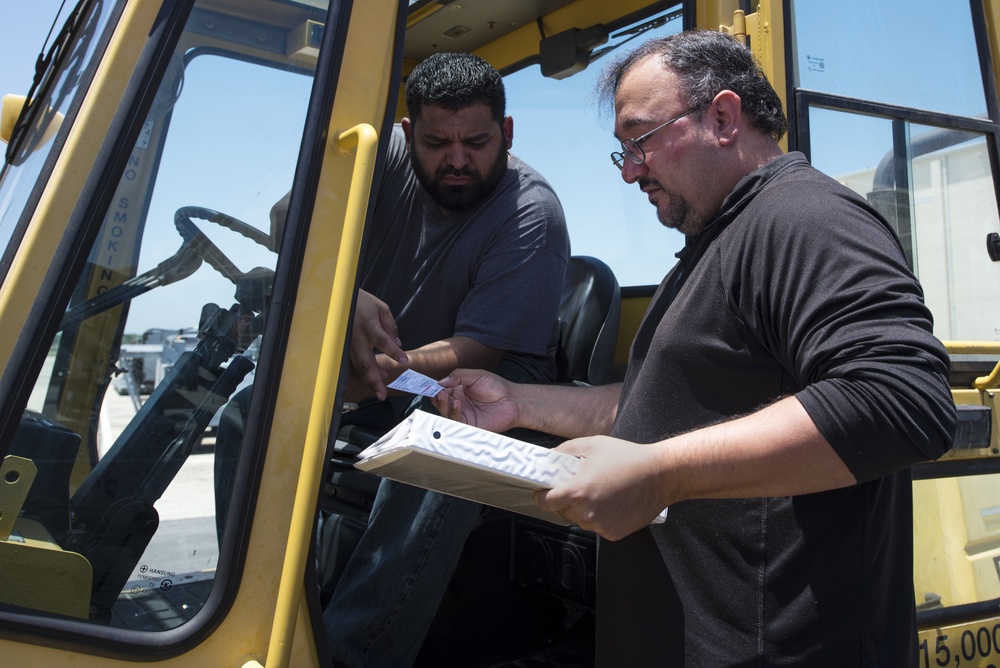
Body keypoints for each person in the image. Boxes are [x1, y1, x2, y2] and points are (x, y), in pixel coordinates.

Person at [433, 30, 956, 667]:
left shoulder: (805, 217)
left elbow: (902, 399)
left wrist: (660, 473)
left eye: (641, 141)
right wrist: (518, 404)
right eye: (621, 152)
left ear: (725, 117)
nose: (630, 170)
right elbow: (666, 403)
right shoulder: (716, 243)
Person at [316, 51, 570, 667]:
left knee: (449, 444)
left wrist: (377, 368)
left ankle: (356, 653)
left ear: (506, 134)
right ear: (408, 135)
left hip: (485, 385)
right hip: (390, 379)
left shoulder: (530, 212)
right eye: (438, 143)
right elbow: (290, 220)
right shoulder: (385, 160)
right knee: (252, 400)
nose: (457, 160)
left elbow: (477, 351)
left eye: (477, 142)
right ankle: (266, 598)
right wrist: (344, 293)